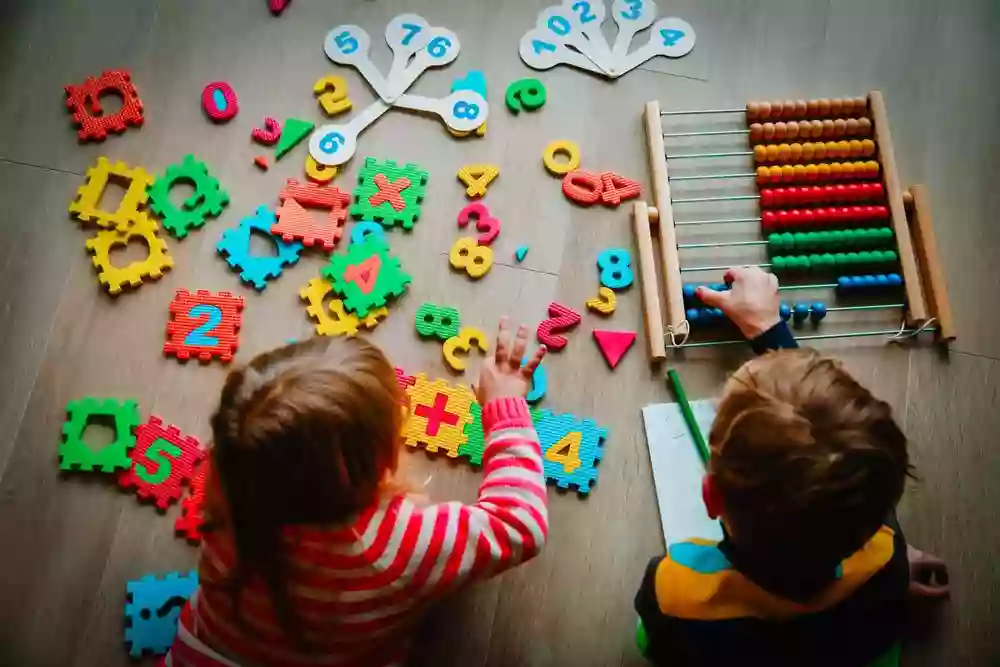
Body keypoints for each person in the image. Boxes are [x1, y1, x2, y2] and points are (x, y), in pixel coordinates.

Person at [166, 320, 548, 667]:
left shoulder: (228, 490)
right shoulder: (397, 545)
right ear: (381, 461)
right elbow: (518, 523)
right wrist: (504, 405)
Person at [634, 267, 949, 666]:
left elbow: (655, 643)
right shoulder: (885, 556)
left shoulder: (677, 589)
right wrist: (897, 567)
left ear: (710, 497)